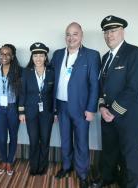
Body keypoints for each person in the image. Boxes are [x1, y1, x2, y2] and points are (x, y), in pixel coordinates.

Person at [93, 15, 138, 188]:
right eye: (106, 31)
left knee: (130, 157)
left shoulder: (134, 53)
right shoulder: (105, 57)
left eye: (113, 30)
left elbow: (133, 89)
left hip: (127, 117)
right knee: (109, 151)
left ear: (122, 31)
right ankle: (107, 178)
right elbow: (102, 87)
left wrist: (112, 112)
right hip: (107, 115)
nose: (109, 35)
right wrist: (101, 107)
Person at [51, 22, 100, 187]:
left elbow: (95, 84)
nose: (71, 38)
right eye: (68, 34)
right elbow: (50, 80)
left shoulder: (92, 55)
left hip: (81, 108)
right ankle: (66, 166)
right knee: (65, 139)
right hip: (61, 106)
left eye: (75, 34)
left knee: (81, 141)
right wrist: (54, 109)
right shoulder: (57, 55)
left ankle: (82, 173)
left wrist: (91, 108)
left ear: (81, 36)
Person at [19, 42, 54, 176]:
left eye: (41, 55)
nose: (38, 58)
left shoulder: (51, 73)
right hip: (30, 112)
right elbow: (22, 92)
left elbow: (54, 93)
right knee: (33, 140)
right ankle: (34, 165)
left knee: (45, 139)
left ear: (45, 57)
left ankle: (43, 165)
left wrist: (55, 111)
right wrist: (21, 111)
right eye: (35, 55)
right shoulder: (26, 72)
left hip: (47, 112)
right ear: (32, 57)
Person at [0, 44, 22, 176]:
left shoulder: (18, 71)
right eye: (2, 53)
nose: (4, 56)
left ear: (12, 56)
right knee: (2, 137)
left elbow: (22, 93)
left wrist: (21, 110)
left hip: (12, 108)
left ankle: (10, 161)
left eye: (7, 54)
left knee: (13, 136)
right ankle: (4, 160)